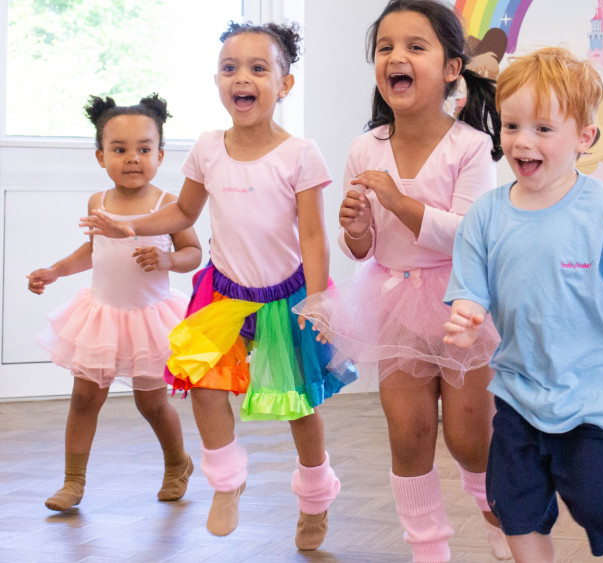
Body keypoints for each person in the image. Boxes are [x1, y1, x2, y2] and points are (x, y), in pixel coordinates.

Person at [80, 22, 356, 551]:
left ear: (285, 84)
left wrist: (318, 300)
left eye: (258, 68)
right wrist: (130, 225)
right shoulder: (208, 147)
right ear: (217, 80)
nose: (242, 78)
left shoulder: (299, 153)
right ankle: (227, 481)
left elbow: (314, 235)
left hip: (287, 296)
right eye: (230, 68)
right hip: (226, 292)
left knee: (298, 403)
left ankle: (316, 494)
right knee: (201, 379)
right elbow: (184, 211)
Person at [443, 46, 603, 563]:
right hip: (520, 390)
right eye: (513, 125)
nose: (523, 141)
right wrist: (467, 314)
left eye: (544, 129)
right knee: (512, 505)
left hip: (596, 395)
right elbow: (469, 290)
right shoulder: (486, 216)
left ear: (584, 137)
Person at [292, 2, 507, 560]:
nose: (396, 57)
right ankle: (427, 548)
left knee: (469, 441)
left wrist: (395, 199)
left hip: (462, 304)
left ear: (452, 68)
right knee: (407, 437)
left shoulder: (471, 146)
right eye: (385, 47)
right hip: (391, 303)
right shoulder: (366, 147)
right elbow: (361, 248)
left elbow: (467, 237)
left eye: (416, 46)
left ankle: (502, 524)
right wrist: (359, 228)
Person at [29, 94, 202, 512]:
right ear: (100, 156)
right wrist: (55, 270)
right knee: (84, 398)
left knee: (152, 402)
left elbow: (193, 253)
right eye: (119, 150)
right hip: (102, 317)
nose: (132, 159)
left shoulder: (170, 205)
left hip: (150, 319)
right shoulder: (97, 203)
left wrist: (167, 259)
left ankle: (178, 463)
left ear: (161, 156)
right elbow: (92, 251)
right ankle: (73, 481)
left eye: (144, 149)